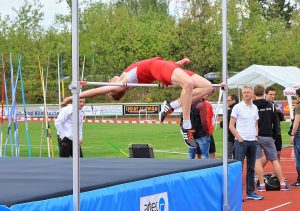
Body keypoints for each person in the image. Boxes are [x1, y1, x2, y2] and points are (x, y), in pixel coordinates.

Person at [62, 57, 214, 148]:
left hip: (161, 66)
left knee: (207, 87)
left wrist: (178, 63)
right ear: (112, 90)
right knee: (187, 84)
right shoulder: (121, 83)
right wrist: (72, 97)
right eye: (110, 84)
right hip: (158, 67)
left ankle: (171, 106)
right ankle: (186, 126)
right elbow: (97, 91)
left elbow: (164, 67)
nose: (110, 80)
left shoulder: (125, 76)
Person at [252, 85, 290, 192]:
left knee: (257, 160)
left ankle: (262, 186)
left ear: (254, 93)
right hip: (268, 136)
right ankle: (282, 184)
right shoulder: (271, 105)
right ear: (264, 92)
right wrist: (274, 136)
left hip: (255, 136)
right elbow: (275, 122)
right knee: (274, 160)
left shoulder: (251, 105)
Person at [229, 85, 263, 200]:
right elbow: (231, 126)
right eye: (244, 92)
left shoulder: (254, 108)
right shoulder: (237, 107)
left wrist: (256, 136)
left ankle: (250, 192)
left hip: (252, 141)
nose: (246, 94)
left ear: (253, 94)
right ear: (242, 94)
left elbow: (256, 124)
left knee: (251, 169)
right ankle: (237, 195)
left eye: (248, 92)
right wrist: (239, 138)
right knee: (239, 169)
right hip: (241, 142)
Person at [188, 95, 214, 159]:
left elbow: (183, 119)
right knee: (205, 155)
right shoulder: (202, 105)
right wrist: (207, 131)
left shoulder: (188, 104)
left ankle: (190, 168)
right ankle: (205, 168)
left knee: (191, 155)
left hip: (191, 133)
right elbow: (204, 121)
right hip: (201, 133)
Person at [220, 94, 239, 159]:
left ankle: (228, 169)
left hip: (231, 137)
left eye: (229, 100)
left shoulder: (230, 111)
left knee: (227, 157)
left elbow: (222, 124)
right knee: (237, 157)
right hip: (239, 136)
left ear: (234, 101)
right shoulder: (240, 109)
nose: (227, 102)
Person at [289, 88, 300, 187]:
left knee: (298, 158)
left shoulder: (298, 106)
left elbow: (297, 121)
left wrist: (292, 134)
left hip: (299, 135)